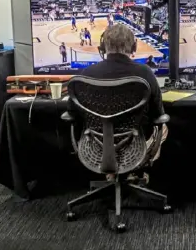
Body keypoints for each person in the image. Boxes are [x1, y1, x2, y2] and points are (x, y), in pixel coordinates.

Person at [69, 24, 167, 179]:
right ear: (133, 47)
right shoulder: (145, 73)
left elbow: (72, 113)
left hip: (95, 144)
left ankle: (115, 173)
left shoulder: (85, 75)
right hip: (135, 143)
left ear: (102, 47)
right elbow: (158, 114)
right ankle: (136, 170)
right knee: (164, 126)